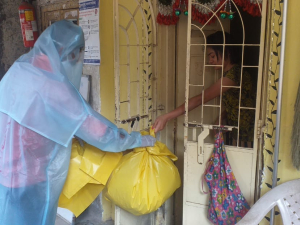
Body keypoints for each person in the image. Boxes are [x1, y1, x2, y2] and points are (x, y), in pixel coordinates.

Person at [0, 20, 155, 225]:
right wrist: (140, 140)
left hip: (4, 170)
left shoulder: (20, 68)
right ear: (68, 53)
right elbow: (101, 133)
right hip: (30, 178)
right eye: (76, 55)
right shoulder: (54, 87)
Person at [153, 31, 256, 146]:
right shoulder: (231, 74)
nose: (209, 61)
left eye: (212, 56)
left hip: (246, 134)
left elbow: (200, 99)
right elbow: (238, 101)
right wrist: (221, 117)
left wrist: (166, 117)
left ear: (227, 52)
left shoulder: (234, 75)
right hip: (238, 131)